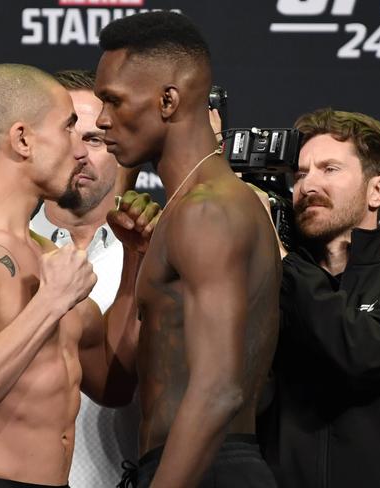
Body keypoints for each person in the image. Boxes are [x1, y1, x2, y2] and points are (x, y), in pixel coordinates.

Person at [0, 63, 157, 488]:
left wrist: (134, 260)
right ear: (22, 139)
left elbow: (112, 384)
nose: (81, 151)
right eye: (67, 130)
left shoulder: (45, 254)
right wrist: (50, 304)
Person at [94, 11, 281, 488]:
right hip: (189, 466)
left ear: (168, 100)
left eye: (113, 101)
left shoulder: (208, 210)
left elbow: (219, 389)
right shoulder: (183, 210)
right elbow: (117, 384)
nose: (100, 120)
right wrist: (134, 256)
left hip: (211, 468)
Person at [258, 108, 380, 488]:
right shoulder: (269, 287)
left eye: (329, 169)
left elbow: (359, 353)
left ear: (378, 190)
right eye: (301, 173)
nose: (308, 185)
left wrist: (284, 262)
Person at [30, 69, 140, 487]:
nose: (79, 153)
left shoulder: (161, 252)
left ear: (119, 148)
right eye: (67, 136)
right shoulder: (1, 253)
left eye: (94, 139)